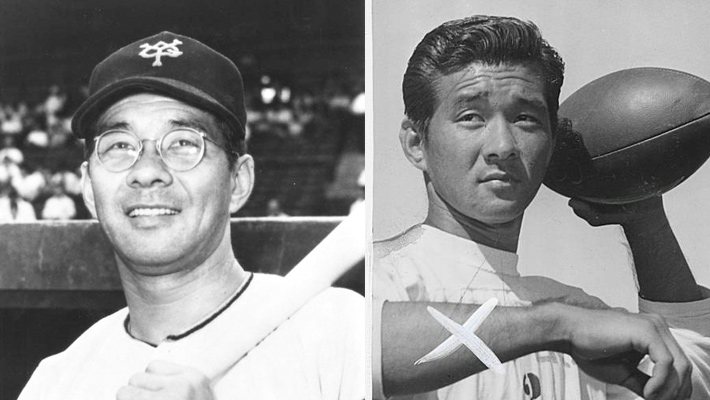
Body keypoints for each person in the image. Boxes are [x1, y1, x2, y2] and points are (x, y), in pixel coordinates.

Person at [373, 15, 710, 400]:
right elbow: (343, 345)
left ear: (552, 143)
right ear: (417, 143)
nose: (503, 145)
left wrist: (643, 212)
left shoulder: (581, 316)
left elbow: (689, 378)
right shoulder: (378, 279)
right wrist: (556, 325)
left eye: (525, 119)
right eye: (471, 117)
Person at [19, 31, 364, 400]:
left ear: (238, 181)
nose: (147, 170)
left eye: (183, 142)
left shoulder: (340, 332)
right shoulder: (55, 383)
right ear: (89, 187)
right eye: (119, 145)